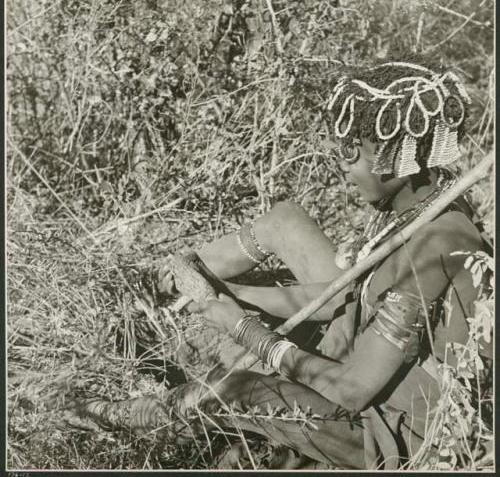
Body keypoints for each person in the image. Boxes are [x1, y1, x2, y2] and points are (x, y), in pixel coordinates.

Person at [63, 58, 492, 469]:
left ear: (396, 155)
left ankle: (113, 419)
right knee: (244, 358)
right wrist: (236, 296)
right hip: (369, 387)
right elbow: (344, 299)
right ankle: (132, 406)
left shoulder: (440, 240)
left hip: (391, 434)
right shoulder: (412, 207)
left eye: (351, 152)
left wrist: (244, 328)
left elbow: (352, 390)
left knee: (236, 390)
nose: (342, 167)